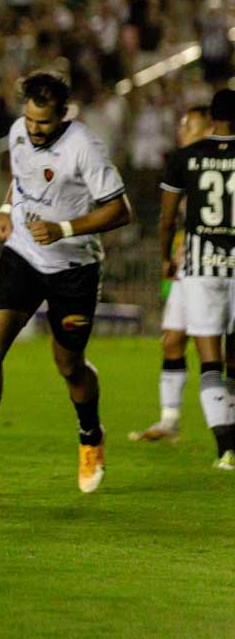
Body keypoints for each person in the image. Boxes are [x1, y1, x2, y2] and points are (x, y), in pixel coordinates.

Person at [0, 72, 132, 493]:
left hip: (73, 268)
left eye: (44, 123)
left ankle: (90, 437)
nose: (35, 130)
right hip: (23, 255)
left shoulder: (84, 147)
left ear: (64, 116)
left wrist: (65, 228)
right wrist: (3, 209)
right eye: (30, 120)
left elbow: (119, 210)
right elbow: (22, 179)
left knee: (69, 365)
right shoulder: (18, 132)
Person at [158, 90, 235, 470]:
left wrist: (164, 257)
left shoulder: (185, 159)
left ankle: (225, 448)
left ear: (211, 120)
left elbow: (167, 217)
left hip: (202, 267)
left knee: (210, 362)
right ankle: (170, 419)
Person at [130, 105, 211, 443]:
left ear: (208, 129)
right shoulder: (184, 164)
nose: (181, 130)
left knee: (218, 350)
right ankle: (170, 420)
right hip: (186, 264)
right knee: (172, 339)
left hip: (217, 266)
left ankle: (226, 431)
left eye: (188, 125)